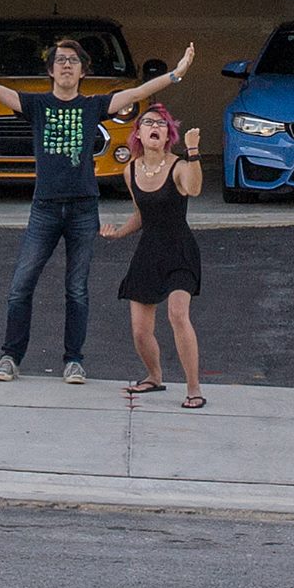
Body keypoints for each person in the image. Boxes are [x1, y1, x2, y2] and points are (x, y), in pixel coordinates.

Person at [0, 29, 195, 385]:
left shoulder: (92, 106)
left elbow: (136, 93)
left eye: (73, 61)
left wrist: (176, 72)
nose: (67, 66)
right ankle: (10, 356)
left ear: (83, 71)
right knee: (21, 284)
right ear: (51, 70)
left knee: (76, 288)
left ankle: (73, 360)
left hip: (83, 210)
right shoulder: (37, 105)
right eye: (60, 61)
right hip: (44, 208)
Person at [101, 104, 206, 408]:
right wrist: (120, 232)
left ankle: (194, 388)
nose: (154, 127)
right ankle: (154, 376)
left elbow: (195, 188)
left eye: (161, 124)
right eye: (147, 123)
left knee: (177, 314)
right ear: (139, 134)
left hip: (180, 249)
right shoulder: (130, 170)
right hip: (149, 250)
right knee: (140, 331)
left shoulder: (179, 166)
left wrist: (194, 151)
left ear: (168, 134)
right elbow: (141, 213)